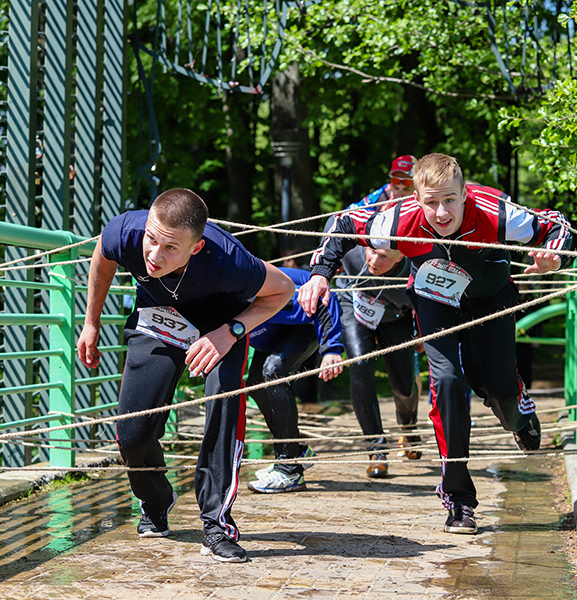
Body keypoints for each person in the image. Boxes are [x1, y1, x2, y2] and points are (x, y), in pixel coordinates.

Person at [299, 153, 572, 535]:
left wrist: (553, 256)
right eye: (431, 202)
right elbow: (343, 222)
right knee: (446, 384)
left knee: (495, 386)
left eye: (450, 200)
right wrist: (319, 274)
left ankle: (518, 409)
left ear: (465, 193)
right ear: (417, 198)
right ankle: (459, 500)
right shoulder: (396, 218)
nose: (441, 213)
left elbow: (557, 225)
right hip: (434, 302)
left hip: (489, 302)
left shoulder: (498, 214)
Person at [77, 188, 294, 563]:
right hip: (158, 319)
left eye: (170, 248)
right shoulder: (126, 232)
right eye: (151, 240)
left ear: (195, 247)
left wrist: (231, 333)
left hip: (220, 326)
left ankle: (216, 524)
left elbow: (283, 291)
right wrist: (91, 323)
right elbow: (102, 257)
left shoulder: (229, 260)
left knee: (222, 410)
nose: (154, 256)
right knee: (132, 432)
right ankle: (156, 500)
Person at [245, 267, 344, 493]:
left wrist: (331, 348)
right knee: (256, 386)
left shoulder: (264, 286)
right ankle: (295, 450)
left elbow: (324, 297)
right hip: (271, 333)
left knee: (274, 371)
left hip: (304, 325)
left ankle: (288, 469)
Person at [333, 244, 421, 478]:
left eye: (384, 257)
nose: (374, 260)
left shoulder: (415, 270)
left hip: (396, 315)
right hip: (354, 304)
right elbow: (330, 243)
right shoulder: (353, 252)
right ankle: (376, 449)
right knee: (360, 366)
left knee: (404, 385)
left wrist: (422, 331)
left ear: (401, 255)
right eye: (372, 252)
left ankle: (409, 427)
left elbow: (428, 305)